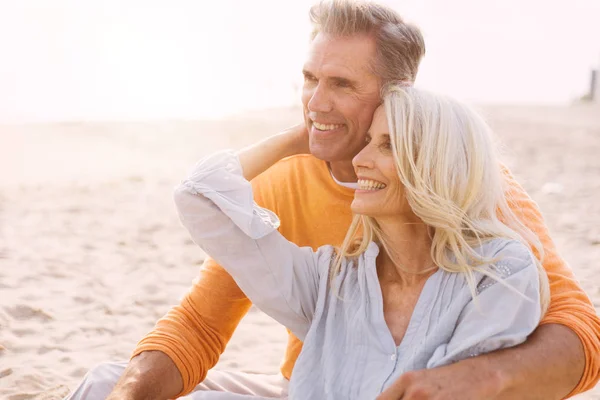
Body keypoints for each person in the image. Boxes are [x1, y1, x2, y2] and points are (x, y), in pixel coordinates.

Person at [67, 1, 600, 399]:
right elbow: (202, 322)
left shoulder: (475, 184)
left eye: (341, 84)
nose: (315, 102)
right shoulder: (287, 186)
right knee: (107, 382)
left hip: (436, 388)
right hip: (315, 384)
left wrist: (468, 380)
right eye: (308, 79)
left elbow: (580, 330)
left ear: (399, 95)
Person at [172, 84, 550, 399]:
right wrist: (304, 137)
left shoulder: (498, 271)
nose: (360, 159)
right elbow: (200, 196)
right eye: (367, 140)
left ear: (436, 163)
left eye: (387, 145)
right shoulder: (330, 281)